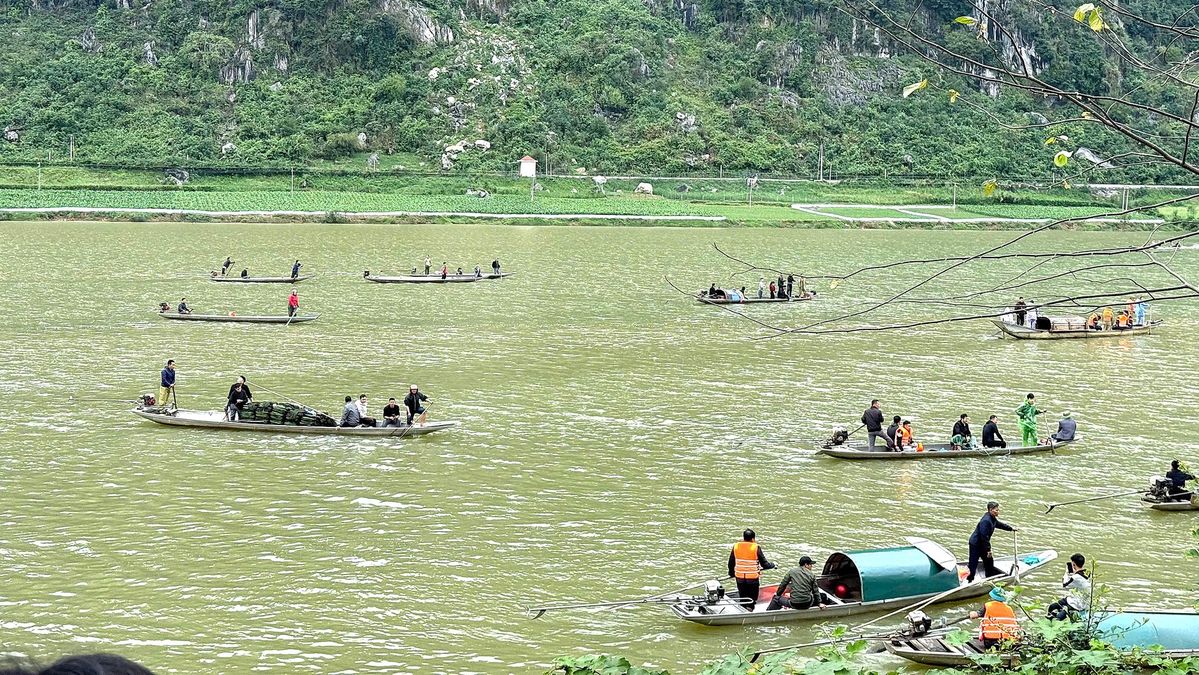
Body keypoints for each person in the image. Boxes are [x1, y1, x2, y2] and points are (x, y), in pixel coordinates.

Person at [967, 501, 1017, 582]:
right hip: (976, 544)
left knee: (989, 562)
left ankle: (990, 578)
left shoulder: (992, 518)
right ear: (991, 510)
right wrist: (988, 550)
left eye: (998, 510)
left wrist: (1011, 528)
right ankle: (970, 580)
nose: (998, 512)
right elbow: (984, 537)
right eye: (996, 510)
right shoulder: (986, 521)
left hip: (982, 544)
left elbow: (999, 524)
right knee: (973, 563)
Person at [727, 529, 775, 611]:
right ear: (753, 539)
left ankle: (742, 609)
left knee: (743, 597)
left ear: (743, 538)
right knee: (752, 599)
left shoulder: (736, 546)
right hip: (752, 578)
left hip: (740, 577)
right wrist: (773, 565)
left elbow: (731, 563)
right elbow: (765, 564)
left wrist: (731, 573)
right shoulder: (755, 547)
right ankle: (749, 610)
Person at [1047, 553, 1091, 620]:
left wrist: (1067, 572)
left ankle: (1054, 621)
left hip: (1076, 605)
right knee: (1053, 606)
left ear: (1073, 564)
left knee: (1058, 617)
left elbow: (1064, 585)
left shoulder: (1076, 577)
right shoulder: (1087, 574)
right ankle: (1053, 616)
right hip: (1078, 601)